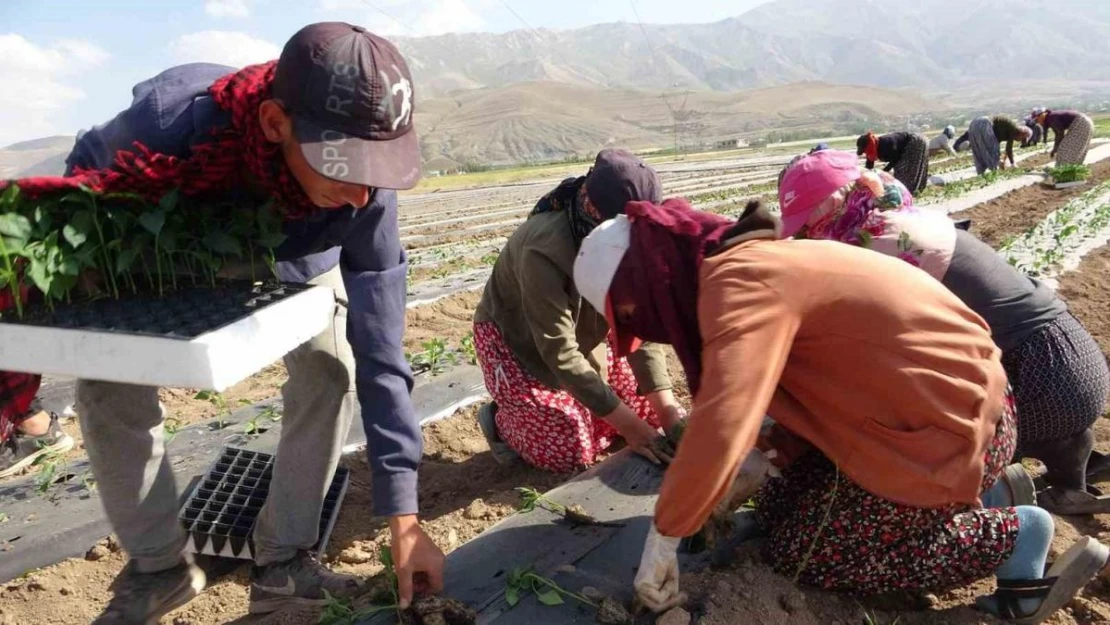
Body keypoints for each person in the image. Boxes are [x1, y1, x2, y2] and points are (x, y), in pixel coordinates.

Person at [0, 23, 445, 623]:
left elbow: (383, 346)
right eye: (340, 166)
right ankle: (159, 568)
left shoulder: (362, 194)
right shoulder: (166, 129)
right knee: (109, 378)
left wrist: (405, 516)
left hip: (294, 245)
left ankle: (284, 561)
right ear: (273, 124)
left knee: (331, 365)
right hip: (175, 232)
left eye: (376, 170)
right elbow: (83, 188)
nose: (362, 195)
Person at [572, 198, 1109, 623]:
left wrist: (666, 532)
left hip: (947, 429)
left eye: (628, 312)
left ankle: (1013, 534)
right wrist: (773, 455)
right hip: (935, 411)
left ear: (646, 283)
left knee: (807, 556)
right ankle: (981, 491)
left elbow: (725, 415)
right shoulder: (749, 261)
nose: (642, 326)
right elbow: (833, 374)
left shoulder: (738, 284)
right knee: (779, 508)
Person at [776, 149, 1110, 514]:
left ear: (832, 207)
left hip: (1040, 380)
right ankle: (1070, 479)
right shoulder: (894, 217)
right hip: (1075, 359)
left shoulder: (872, 249)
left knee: (916, 466)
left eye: (808, 224)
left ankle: (1005, 501)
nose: (807, 235)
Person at [472, 149, 684, 473]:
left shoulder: (628, 240)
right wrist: (632, 430)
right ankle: (500, 422)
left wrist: (668, 415)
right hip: (520, 346)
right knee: (569, 449)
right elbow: (557, 350)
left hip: (586, 335)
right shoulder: (543, 248)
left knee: (649, 412)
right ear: (593, 210)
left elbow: (641, 325)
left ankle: (587, 411)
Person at [855, 131, 929, 194]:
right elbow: (869, 168)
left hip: (915, 142)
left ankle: (910, 191)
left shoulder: (885, 144)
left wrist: (884, 172)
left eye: (865, 150)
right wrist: (864, 180)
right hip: (903, 149)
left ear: (870, 145)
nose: (865, 152)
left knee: (906, 169)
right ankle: (911, 189)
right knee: (900, 170)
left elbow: (896, 158)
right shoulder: (871, 151)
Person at [968, 115, 1033, 175]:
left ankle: (981, 174)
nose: (1019, 141)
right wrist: (1013, 163)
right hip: (985, 124)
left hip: (974, 124)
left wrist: (1003, 161)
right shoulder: (1014, 129)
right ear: (1023, 134)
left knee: (979, 151)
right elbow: (1008, 149)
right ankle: (994, 173)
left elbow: (1005, 149)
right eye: (1022, 139)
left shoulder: (1009, 130)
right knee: (993, 151)